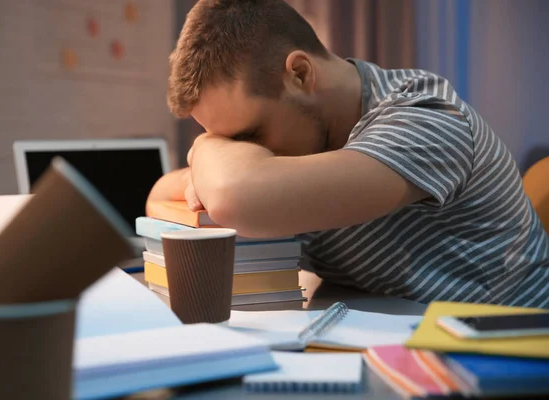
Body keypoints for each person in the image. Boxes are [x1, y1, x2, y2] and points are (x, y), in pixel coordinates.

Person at [148, 0, 549, 308]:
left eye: (248, 136)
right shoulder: (293, 150)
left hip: (511, 356)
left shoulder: (426, 116)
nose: (247, 153)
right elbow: (158, 199)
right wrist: (221, 162)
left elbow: (236, 196)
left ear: (300, 75)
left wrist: (206, 147)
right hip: (392, 342)